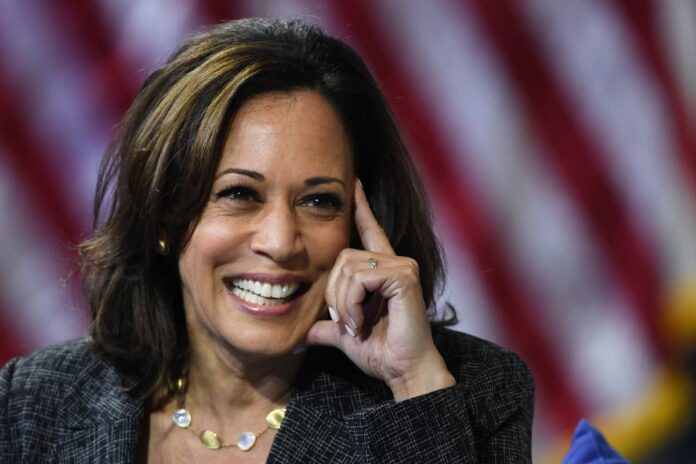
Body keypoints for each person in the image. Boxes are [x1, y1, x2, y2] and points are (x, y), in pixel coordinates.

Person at [0, 18, 533, 463]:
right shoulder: (32, 405)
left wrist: (413, 382)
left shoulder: (472, 391)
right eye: (239, 194)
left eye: (318, 201)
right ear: (164, 215)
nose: (281, 242)